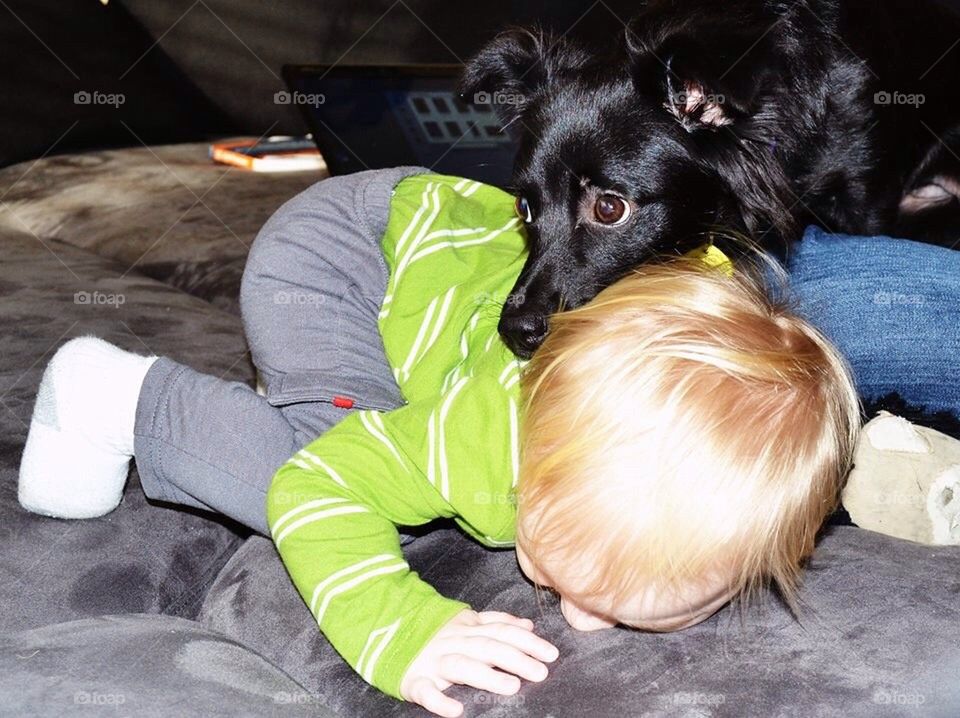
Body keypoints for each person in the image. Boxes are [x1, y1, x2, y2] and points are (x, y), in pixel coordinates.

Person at [17, 168, 860, 717]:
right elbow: (320, 489)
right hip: (344, 252)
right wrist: (402, 628)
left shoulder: (729, 438)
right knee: (313, 452)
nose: (577, 622)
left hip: (465, 250)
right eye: (567, 576)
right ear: (530, 469)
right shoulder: (480, 440)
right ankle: (119, 393)